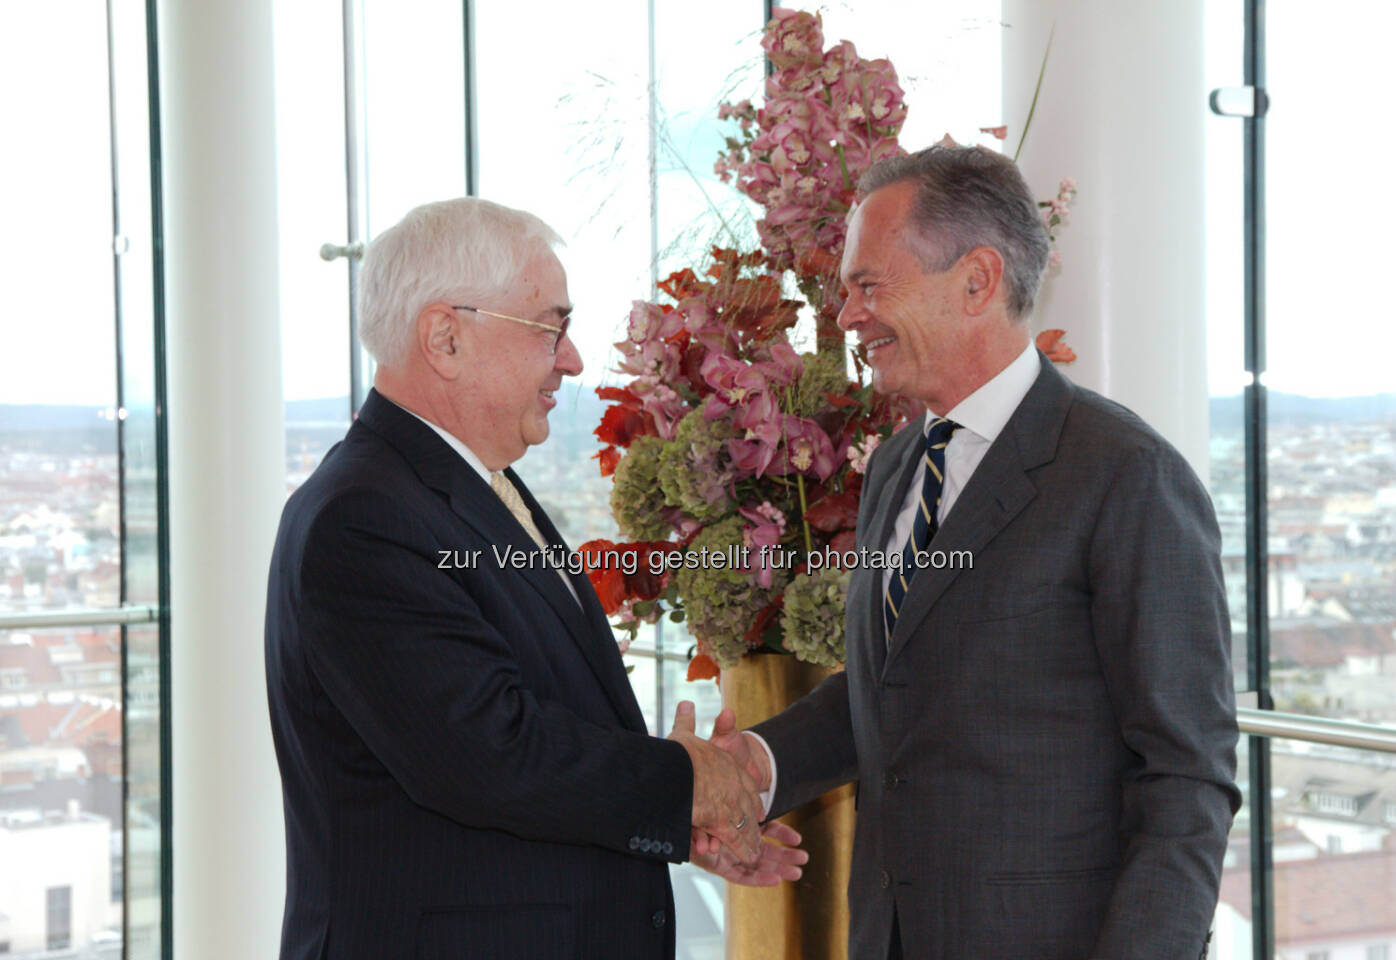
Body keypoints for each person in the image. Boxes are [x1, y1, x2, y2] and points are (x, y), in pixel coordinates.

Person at [708, 146, 1241, 959]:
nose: (847, 316)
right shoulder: (896, 464)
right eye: (846, 290)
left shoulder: (1126, 477)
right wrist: (751, 762)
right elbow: (895, 689)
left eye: (869, 285)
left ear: (977, 280)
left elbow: (1186, 778)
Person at [264, 197, 803, 960]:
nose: (575, 360)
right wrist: (684, 782)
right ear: (445, 337)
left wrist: (677, 811)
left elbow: (536, 729)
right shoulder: (364, 518)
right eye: (552, 326)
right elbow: (490, 755)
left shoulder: (461, 487)